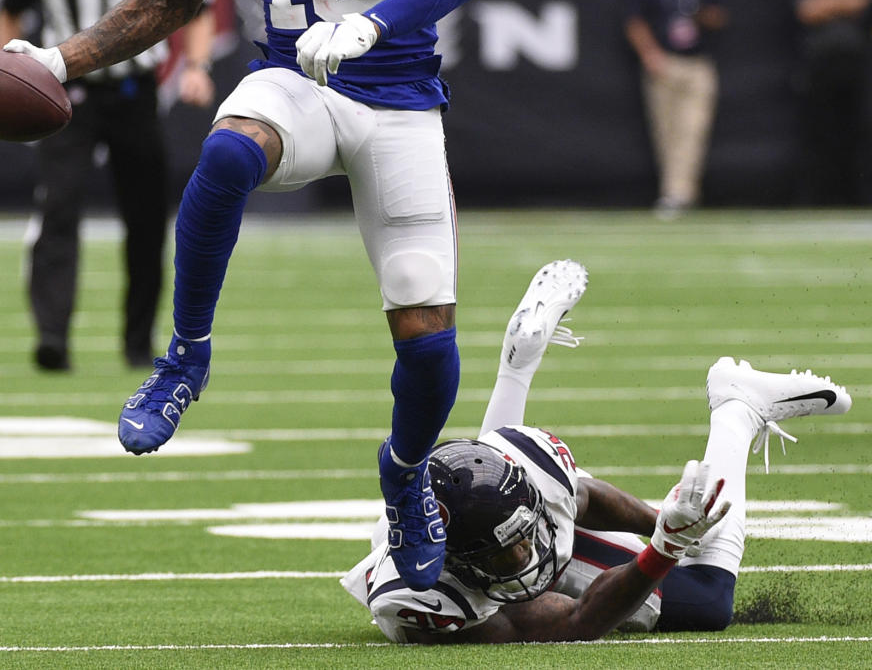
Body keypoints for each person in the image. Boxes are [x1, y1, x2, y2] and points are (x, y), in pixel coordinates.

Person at [1, 0, 478, 592]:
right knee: (225, 148)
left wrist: (375, 25)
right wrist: (60, 62)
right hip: (299, 78)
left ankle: (406, 476)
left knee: (425, 335)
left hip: (398, 95)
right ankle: (185, 358)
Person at [342, 260, 853, 643]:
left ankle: (732, 404)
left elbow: (582, 497)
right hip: (462, 577)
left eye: (522, 538)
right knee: (707, 601)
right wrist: (667, 547)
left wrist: (664, 524)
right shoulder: (427, 600)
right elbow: (576, 617)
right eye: (507, 553)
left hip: (497, 501)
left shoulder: (528, 471)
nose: (526, 555)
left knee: (693, 538)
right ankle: (736, 413)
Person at [0, 0, 216, 372]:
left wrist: (196, 67)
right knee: (58, 210)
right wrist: (13, 73)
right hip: (65, 97)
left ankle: (138, 342)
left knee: (145, 221)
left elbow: (199, 8)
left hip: (134, 94)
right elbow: (10, 8)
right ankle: (52, 337)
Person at [623, 0, 729, 218]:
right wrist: (650, 54)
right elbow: (634, 20)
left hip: (697, 63)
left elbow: (720, 17)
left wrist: (700, 14)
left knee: (693, 129)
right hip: (664, 61)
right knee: (666, 132)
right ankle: (679, 193)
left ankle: (677, 195)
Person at [791, 0, 872, 205]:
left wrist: (829, 1)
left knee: (862, 132)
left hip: (858, 63)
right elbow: (807, 10)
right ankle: (818, 200)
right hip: (821, 63)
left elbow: (864, 1)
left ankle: (861, 199)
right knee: (820, 134)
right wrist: (849, 1)